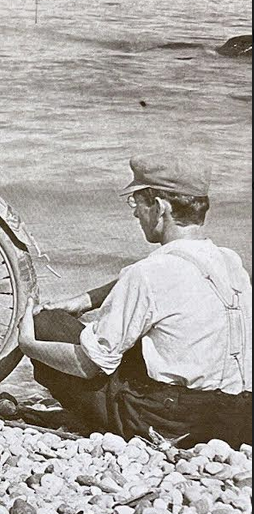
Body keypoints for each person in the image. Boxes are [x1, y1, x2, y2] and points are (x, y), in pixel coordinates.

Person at [18, 154, 252, 448]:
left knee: (47, 325)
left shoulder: (149, 274)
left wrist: (28, 344)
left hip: (172, 421)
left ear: (159, 207)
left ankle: (114, 425)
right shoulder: (231, 262)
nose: (135, 213)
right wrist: (82, 301)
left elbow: (90, 365)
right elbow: (162, 285)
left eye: (137, 202)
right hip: (236, 417)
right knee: (138, 336)